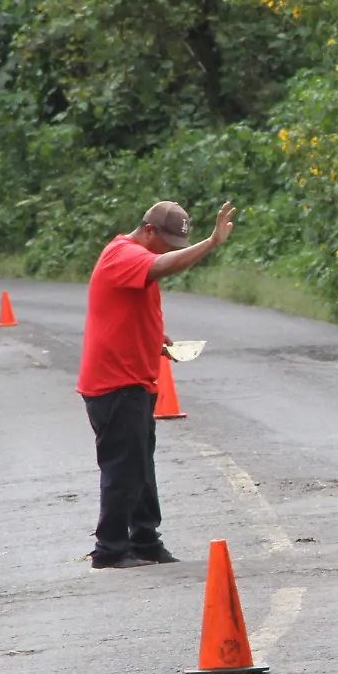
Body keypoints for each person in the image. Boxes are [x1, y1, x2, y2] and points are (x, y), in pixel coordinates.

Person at [77, 199, 236, 569]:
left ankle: (145, 540)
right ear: (148, 230)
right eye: (166, 242)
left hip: (135, 381)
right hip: (114, 384)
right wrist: (210, 243)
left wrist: (156, 338)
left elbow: (129, 307)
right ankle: (110, 549)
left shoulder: (131, 257)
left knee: (140, 466)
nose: (169, 251)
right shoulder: (123, 254)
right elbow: (160, 267)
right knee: (122, 468)